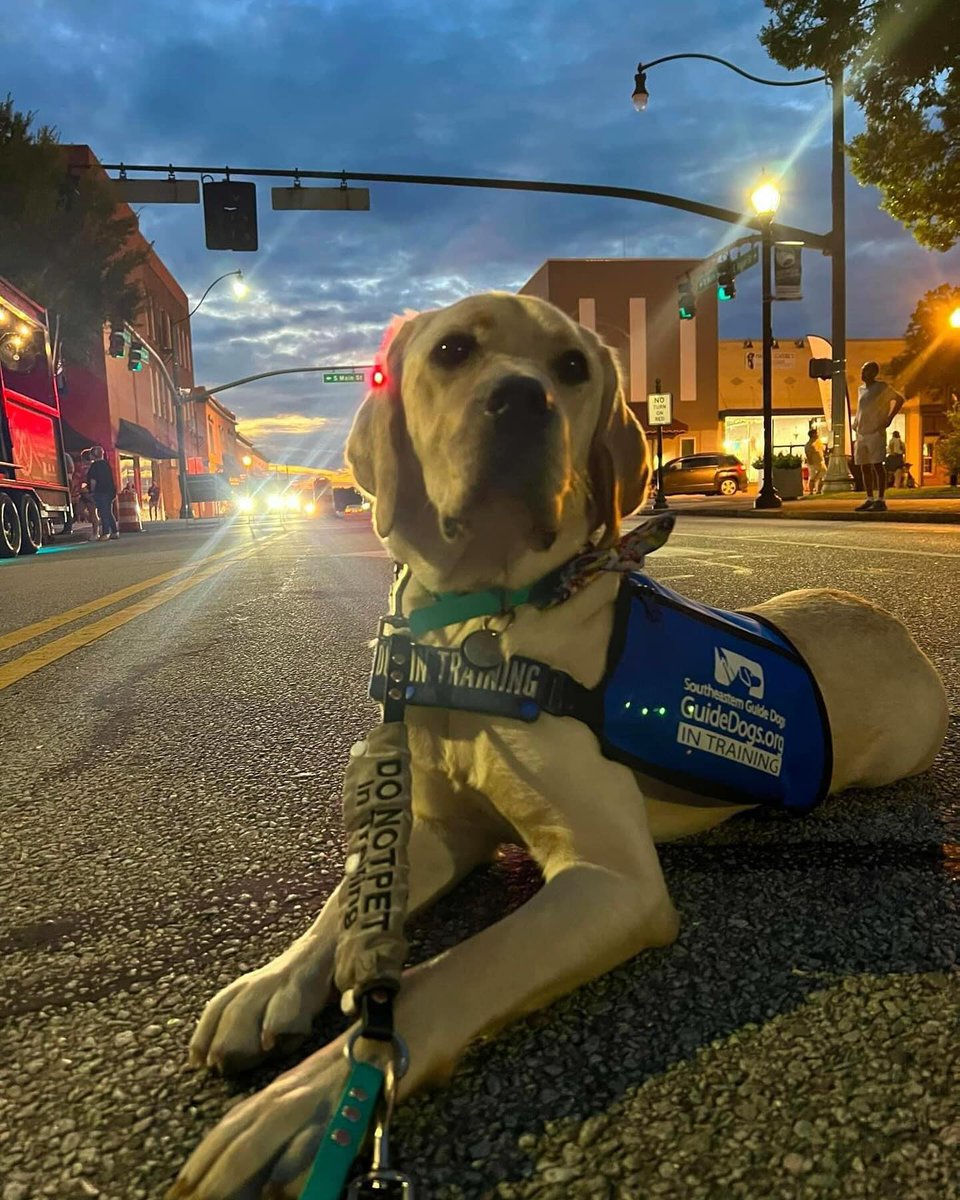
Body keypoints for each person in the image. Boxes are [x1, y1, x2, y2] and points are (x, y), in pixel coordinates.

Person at [852, 362, 905, 512]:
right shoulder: (861, 389)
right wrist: (855, 423)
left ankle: (881, 499)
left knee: (877, 465)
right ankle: (869, 498)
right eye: (862, 371)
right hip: (861, 432)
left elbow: (899, 399)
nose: (862, 374)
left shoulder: (882, 387)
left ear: (873, 372)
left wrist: (889, 418)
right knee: (864, 466)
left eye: (866, 371)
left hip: (875, 432)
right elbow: (861, 408)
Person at [86, 445, 119, 540]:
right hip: (110, 491)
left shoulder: (94, 466)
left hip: (100, 491)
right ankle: (114, 531)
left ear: (94, 455)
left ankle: (105, 533)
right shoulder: (106, 464)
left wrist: (92, 491)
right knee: (109, 512)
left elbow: (93, 480)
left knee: (104, 512)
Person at [804, 427, 826, 495]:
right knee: (813, 477)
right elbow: (808, 455)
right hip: (814, 463)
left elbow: (822, 451)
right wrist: (811, 463)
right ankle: (811, 492)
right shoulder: (809, 445)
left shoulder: (819, 442)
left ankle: (819, 491)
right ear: (812, 435)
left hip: (820, 462)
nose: (817, 435)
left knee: (822, 476)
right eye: (816, 433)